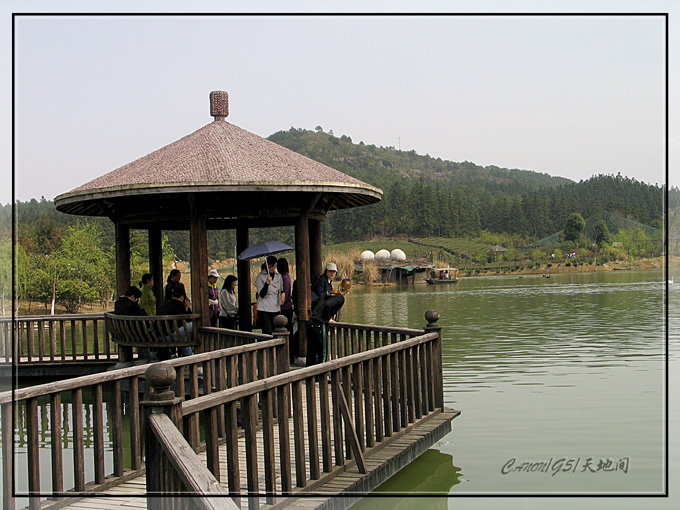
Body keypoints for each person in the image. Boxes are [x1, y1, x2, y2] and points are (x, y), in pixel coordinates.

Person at [306, 279, 351, 367]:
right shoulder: (340, 297)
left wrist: (316, 313)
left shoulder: (328, 293)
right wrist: (327, 319)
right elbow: (328, 305)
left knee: (311, 352)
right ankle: (320, 377)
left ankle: (310, 377)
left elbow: (314, 302)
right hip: (319, 324)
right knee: (322, 354)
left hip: (311, 322)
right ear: (348, 290)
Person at [157, 285, 194, 359]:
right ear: (182, 297)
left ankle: (188, 359)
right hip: (169, 336)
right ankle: (189, 361)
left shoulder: (164, 304)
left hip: (159, 336)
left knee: (184, 336)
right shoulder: (179, 305)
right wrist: (188, 307)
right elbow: (188, 319)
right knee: (194, 324)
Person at [255, 255, 284, 335]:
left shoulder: (278, 276)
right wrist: (267, 283)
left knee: (276, 330)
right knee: (267, 331)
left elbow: (281, 288)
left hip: (275, 307)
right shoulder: (260, 277)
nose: (273, 268)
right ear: (267, 265)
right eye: (271, 266)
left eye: (275, 266)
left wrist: (283, 293)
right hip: (264, 307)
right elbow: (262, 294)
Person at [278, 257, 296, 362]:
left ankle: (288, 356)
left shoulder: (283, 278)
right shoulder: (287, 277)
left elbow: (284, 294)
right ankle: (291, 355)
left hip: (285, 308)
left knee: (286, 332)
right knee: (290, 332)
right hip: (289, 306)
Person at [139, 273, 157, 360]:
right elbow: (145, 304)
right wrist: (150, 314)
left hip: (153, 314)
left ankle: (153, 353)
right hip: (149, 317)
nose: (153, 282)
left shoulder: (150, 290)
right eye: (152, 280)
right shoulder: (145, 291)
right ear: (148, 281)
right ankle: (147, 355)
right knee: (148, 334)